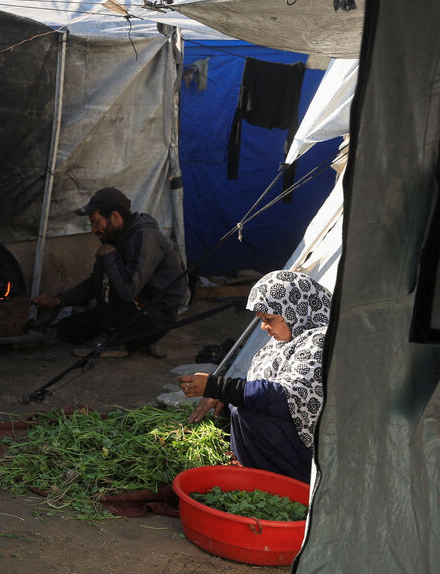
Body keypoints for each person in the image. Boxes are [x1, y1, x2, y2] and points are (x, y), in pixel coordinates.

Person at [177, 270, 332, 483]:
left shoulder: (322, 341)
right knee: (239, 404)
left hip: (314, 458)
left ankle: (280, 485)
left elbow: (281, 398)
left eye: (269, 319)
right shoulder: (289, 338)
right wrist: (226, 394)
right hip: (289, 439)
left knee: (246, 409)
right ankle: (256, 476)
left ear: (296, 310)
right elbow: (262, 387)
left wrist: (220, 387)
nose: (263, 327)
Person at [31, 187, 189, 358]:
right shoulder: (122, 237)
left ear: (114, 217)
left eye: (96, 222)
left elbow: (128, 291)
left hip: (153, 318)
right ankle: (131, 339)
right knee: (66, 330)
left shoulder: (144, 237)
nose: (93, 230)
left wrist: (110, 256)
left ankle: (116, 341)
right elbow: (95, 284)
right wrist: (58, 300)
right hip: (130, 311)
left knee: (104, 260)